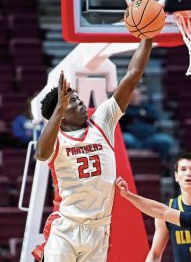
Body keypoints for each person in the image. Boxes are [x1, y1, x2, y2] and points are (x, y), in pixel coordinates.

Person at [31, 38, 153, 262]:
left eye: (78, 98)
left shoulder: (102, 121)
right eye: (72, 101)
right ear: (60, 113)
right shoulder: (56, 139)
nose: (80, 103)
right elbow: (40, 154)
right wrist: (58, 108)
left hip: (99, 229)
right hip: (66, 228)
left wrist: (148, 37)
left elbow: (133, 74)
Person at [146, 152, 191, 262]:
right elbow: (155, 255)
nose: (188, 173)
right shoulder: (168, 210)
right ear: (176, 176)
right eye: (183, 169)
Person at [119, 88, 175, 162]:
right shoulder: (122, 108)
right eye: (131, 96)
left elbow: (154, 116)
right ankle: (128, 164)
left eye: (136, 95)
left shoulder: (147, 107)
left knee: (166, 140)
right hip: (132, 139)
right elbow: (125, 116)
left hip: (149, 139)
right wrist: (141, 114)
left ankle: (162, 164)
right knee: (124, 139)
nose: (134, 98)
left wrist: (135, 115)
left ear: (140, 96)